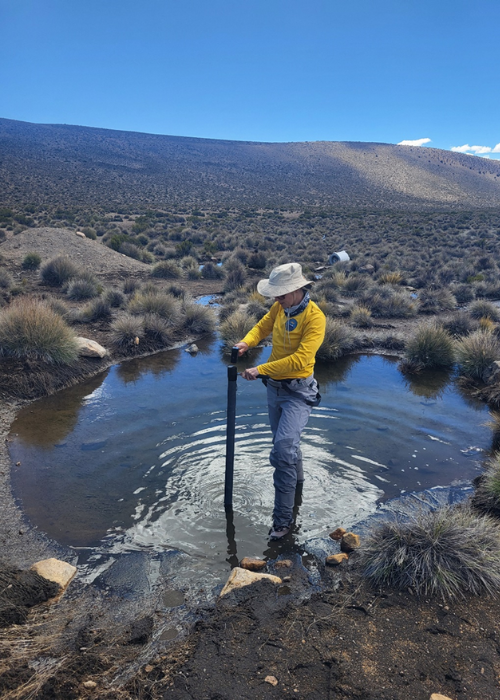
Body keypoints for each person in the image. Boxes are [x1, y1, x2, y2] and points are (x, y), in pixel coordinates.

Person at [234, 262, 326, 541]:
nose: (277, 299)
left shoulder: (315, 318)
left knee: (283, 449)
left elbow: (300, 359)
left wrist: (260, 369)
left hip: (299, 391)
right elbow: (263, 326)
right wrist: (246, 343)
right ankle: (296, 485)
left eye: (282, 294)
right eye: (275, 295)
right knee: (285, 447)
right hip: (274, 389)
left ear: (298, 290)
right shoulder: (280, 308)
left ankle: (283, 522)